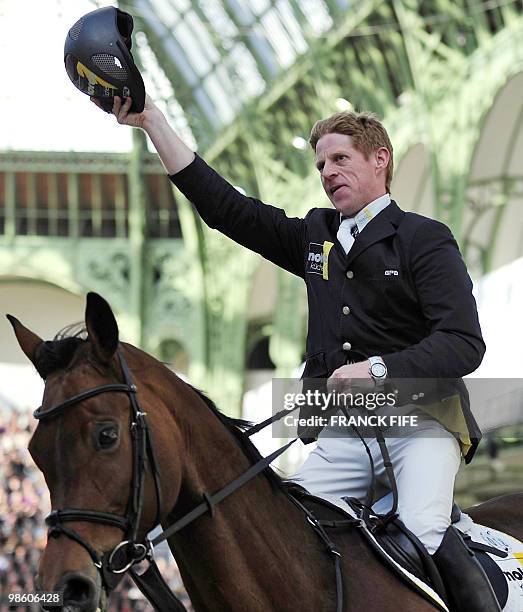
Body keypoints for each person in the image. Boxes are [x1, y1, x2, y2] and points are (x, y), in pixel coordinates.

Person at [97, 94, 499, 611]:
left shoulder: (424, 237)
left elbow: (464, 343)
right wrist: (152, 121)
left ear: (381, 159)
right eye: (321, 165)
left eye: (339, 159)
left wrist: (378, 369)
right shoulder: (316, 235)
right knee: (290, 539)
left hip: (422, 420)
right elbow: (227, 210)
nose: (327, 172)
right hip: (344, 428)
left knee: (421, 534)